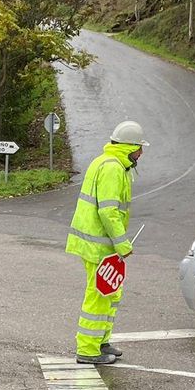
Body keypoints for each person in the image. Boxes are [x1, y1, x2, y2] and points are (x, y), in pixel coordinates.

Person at [67, 120, 147, 365]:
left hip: (101, 244)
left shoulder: (109, 162)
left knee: (110, 291)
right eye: (139, 147)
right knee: (100, 294)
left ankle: (101, 342)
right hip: (99, 245)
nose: (142, 153)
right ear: (128, 147)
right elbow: (108, 211)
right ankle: (89, 350)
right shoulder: (113, 168)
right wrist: (122, 244)